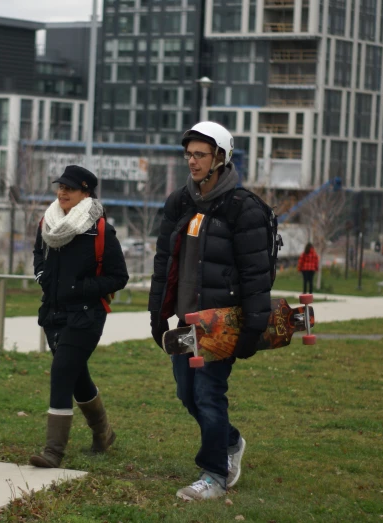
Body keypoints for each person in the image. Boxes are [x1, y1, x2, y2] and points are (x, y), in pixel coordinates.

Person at [148, 122, 273, 501]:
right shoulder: (180, 202)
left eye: (200, 154)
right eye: (189, 154)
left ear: (221, 157)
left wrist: (253, 327)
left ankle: (214, 475)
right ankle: (230, 441)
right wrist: (158, 314)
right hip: (185, 324)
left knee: (208, 394)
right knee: (186, 394)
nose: (192, 161)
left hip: (219, 325)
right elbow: (163, 261)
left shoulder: (242, 208)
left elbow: (256, 273)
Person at [29, 165, 129, 468]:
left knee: (61, 371)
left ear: (86, 193)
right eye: (60, 187)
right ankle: (103, 433)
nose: (62, 193)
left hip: (87, 315)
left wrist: (83, 287)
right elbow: (38, 255)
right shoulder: (47, 223)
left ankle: (53, 451)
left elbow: (119, 276)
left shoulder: (99, 230)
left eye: (70, 189)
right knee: (76, 376)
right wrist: (43, 276)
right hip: (53, 312)